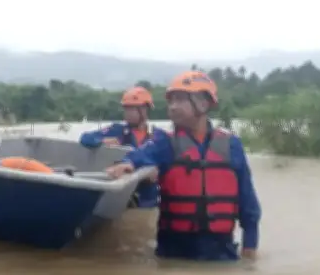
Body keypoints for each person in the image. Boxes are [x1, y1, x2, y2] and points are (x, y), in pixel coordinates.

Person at [104, 71, 262, 261]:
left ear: (203, 104)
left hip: (222, 252)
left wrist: (250, 247)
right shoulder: (165, 142)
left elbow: (248, 203)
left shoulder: (231, 145)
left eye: (180, 100)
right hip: (174, 252)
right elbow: (141, 154)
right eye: (171, 101)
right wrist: (127, 164)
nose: (172, 107)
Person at [79, 86, 161, 207]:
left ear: (144, 110)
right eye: (126, 109)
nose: (127, 113)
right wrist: (102, 142)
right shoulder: (117, 130)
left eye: (131, 109)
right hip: (121, 196)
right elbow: (85, 138)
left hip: (147, 198)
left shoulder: (157, 136)